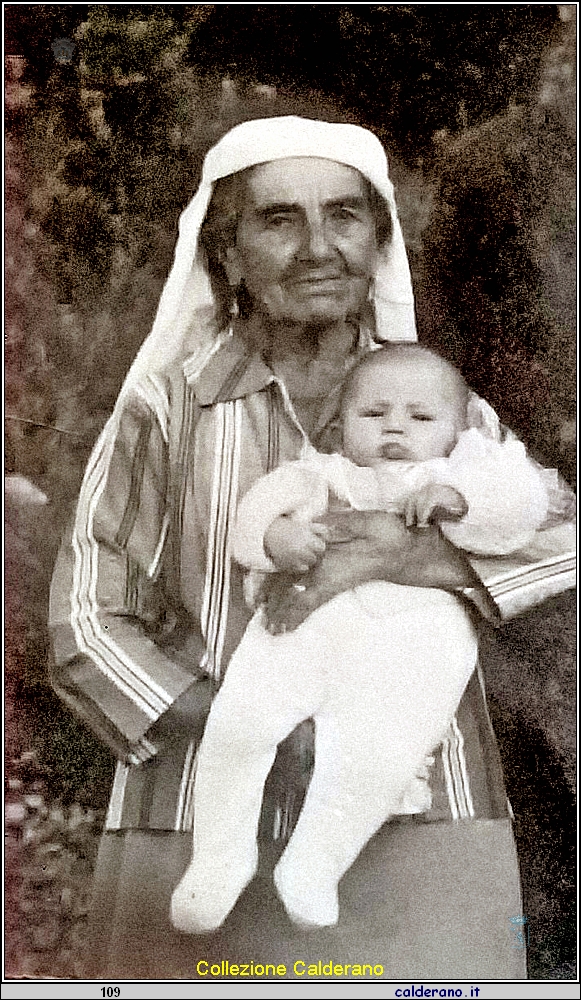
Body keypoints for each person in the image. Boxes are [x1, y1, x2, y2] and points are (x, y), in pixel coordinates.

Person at [49, 115, 563, 978]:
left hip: (423, 818)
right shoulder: (169, 409)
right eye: (279, 219)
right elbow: (86, 619)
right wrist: (258, 727)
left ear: (377, 242)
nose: (317, 246)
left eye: (344, 217)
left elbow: (556, 533)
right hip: (196, 813)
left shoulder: (434, 399)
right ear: (227, 250)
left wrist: (408, 557)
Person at [170, 343, 549, 934]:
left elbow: (524, 510)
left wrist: (463, 500)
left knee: (378, 757)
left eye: (421, 418)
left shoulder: (471, 470)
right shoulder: (326, 474)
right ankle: (220, 855)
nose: (394, 426)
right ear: (341, 424)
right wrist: (275, 538)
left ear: (460, 427)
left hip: (415, 643)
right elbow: (260, 507)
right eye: (373, 414)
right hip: (308, 626)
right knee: (242, 721)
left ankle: (315, 864)